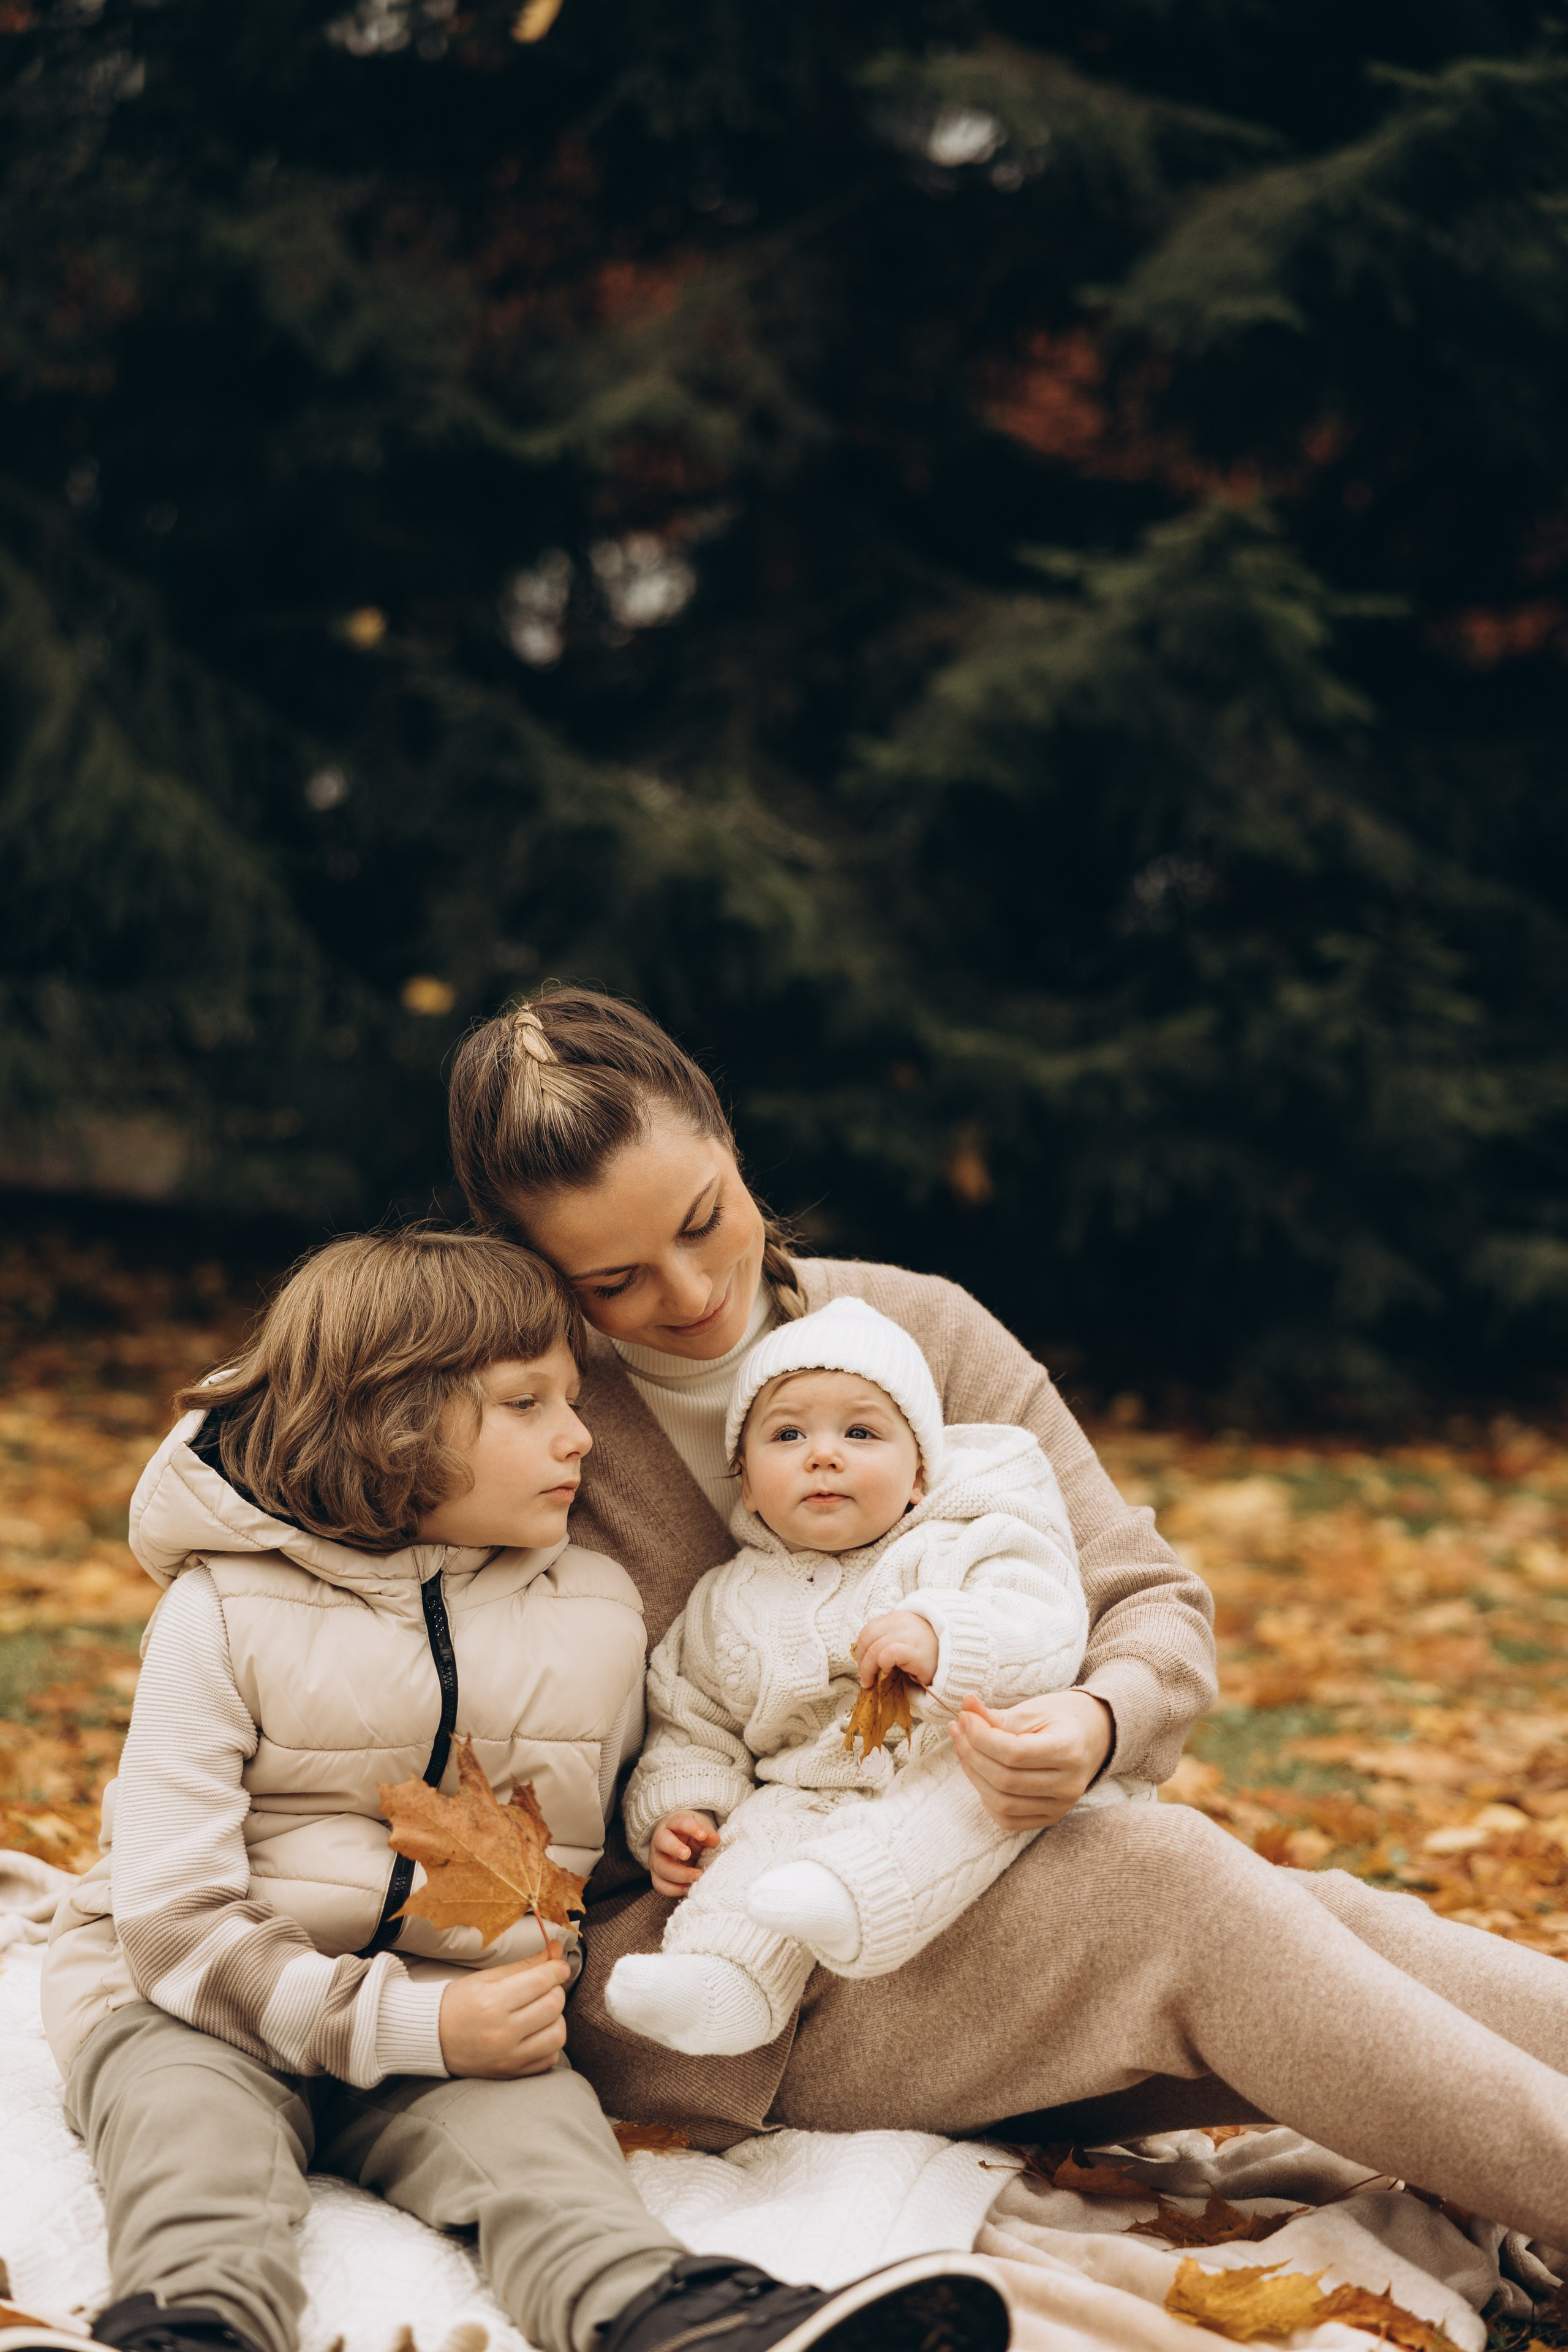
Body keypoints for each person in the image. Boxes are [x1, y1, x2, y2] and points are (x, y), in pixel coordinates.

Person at [447, 987, 1568, 2245]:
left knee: (1327, 1925)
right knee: (1179, 1887)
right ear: (534, 1274)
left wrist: (1094, 1723)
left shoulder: (916, 1330)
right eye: (614, 1278)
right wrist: (675, 1820)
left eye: (705, 1220)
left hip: (988, 1879)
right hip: (729, 1985)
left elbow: (1145, 1602)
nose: (693, 1288)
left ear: (728, 1139)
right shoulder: (531, 1426)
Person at [39, 1230, 1009, 2352]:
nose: (580, 1434)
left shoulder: (595, 1611)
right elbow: (172, 1922)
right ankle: (189, 2329)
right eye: (528, 1403)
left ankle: (677, 2319)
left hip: (465, 2015)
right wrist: (404, 2019)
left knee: (550, 2158)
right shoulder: (220, 1614)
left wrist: (674, 1826)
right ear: (391, 1420)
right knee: (195, 2144)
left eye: (574, 1396)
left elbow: (663, 1773)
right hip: (201, 2003)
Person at [606, 1294, 1136, 2057]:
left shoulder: (959, 1543)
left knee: (972, 1785)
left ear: (919, 1473)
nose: (824, 1454)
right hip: (806, 1795)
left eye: (860, 1432)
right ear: (747, 1484)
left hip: (951, 1765)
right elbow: (690, 1722)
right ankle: (720, 1983)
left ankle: (863, 1894)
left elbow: (1047, 1623)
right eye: (788, 1434)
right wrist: (681, 1812)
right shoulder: (724, 1602)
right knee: (755, 1850)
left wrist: (946, 1637)